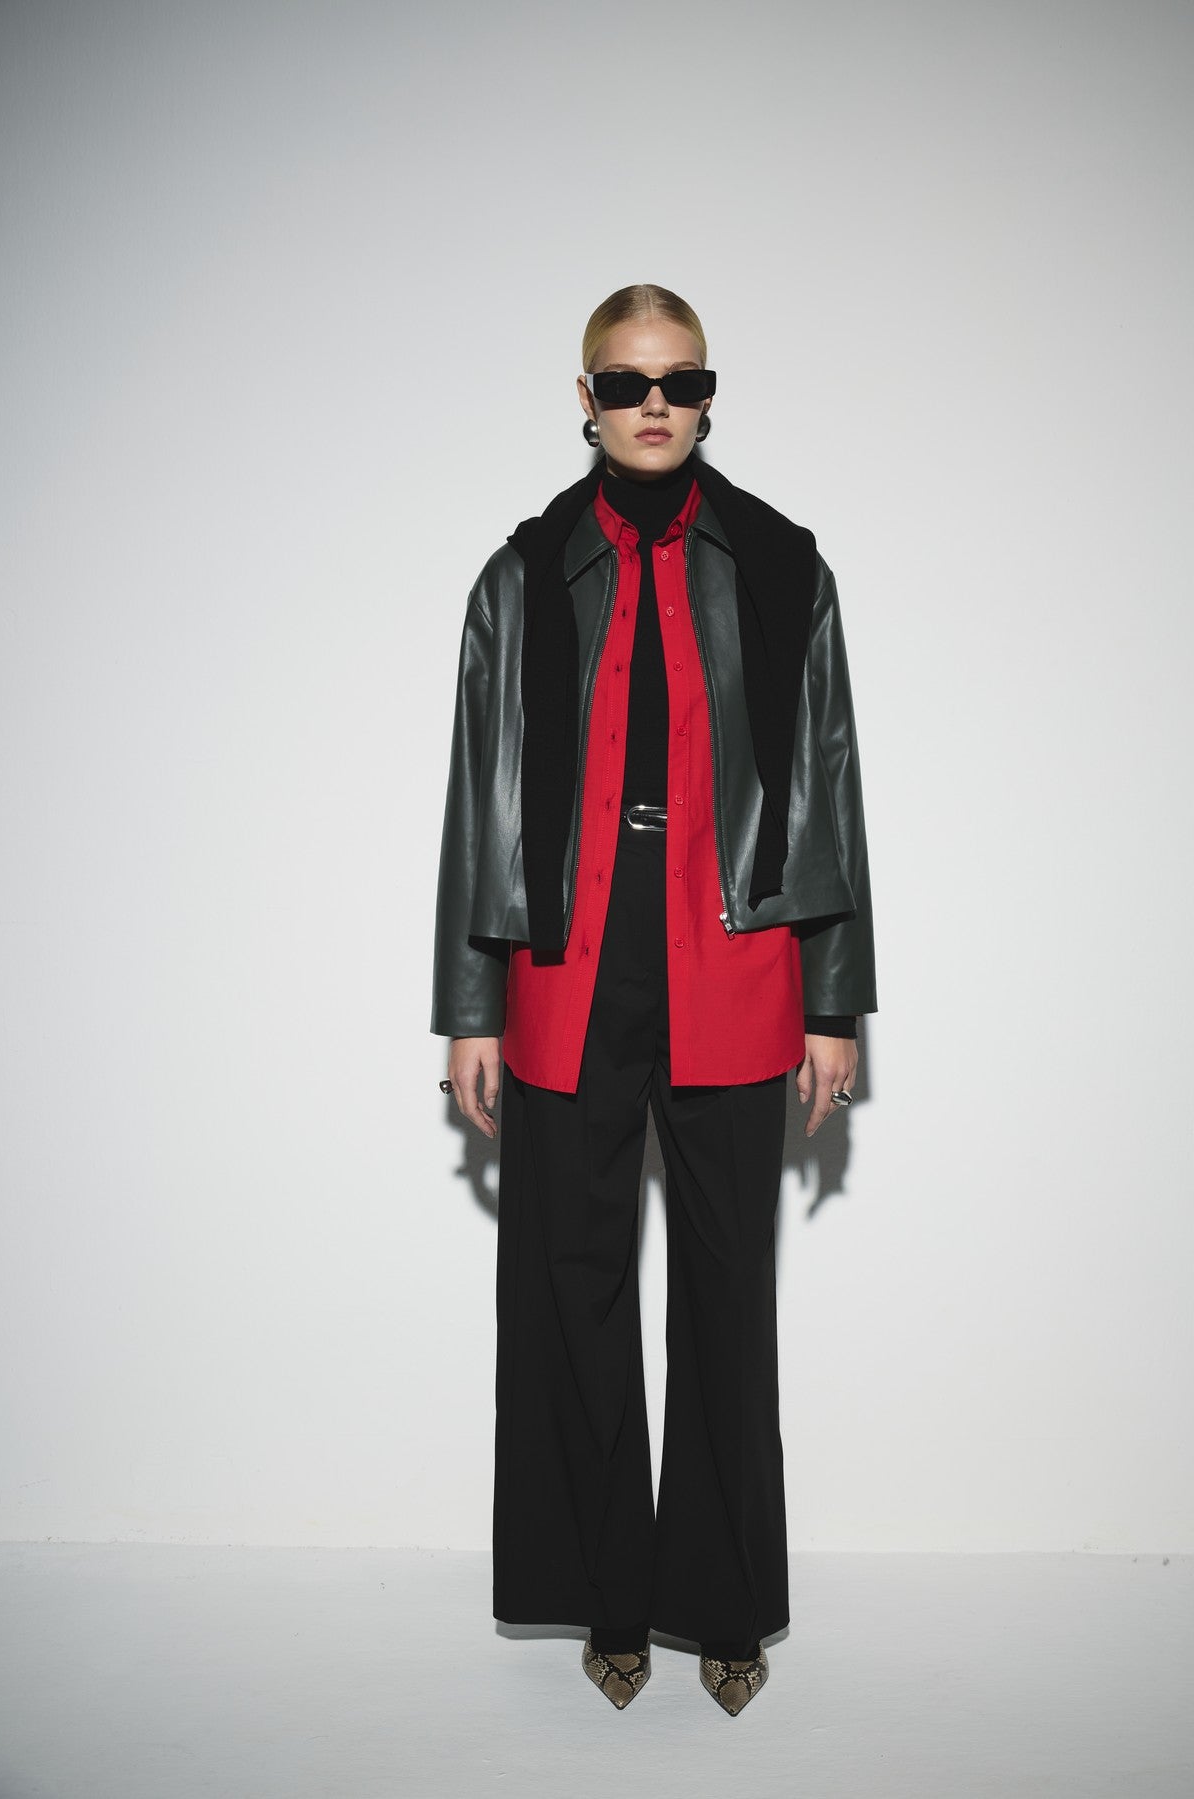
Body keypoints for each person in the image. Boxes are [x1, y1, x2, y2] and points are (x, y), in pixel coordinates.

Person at [431, 284, 876, 1717]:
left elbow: (826, 789)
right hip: (565, 972)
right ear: (586, 398)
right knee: (571, 1292)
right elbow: (480, 801)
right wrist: (470, 1006)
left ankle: (724, 1606)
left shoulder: (785, 566)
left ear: (707, 396)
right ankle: (610, 1599)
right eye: (627, 384)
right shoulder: (521, 575)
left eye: (682, 381)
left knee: (728, 1300)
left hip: (735, 968)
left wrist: (833, 1003)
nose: (655, 406)